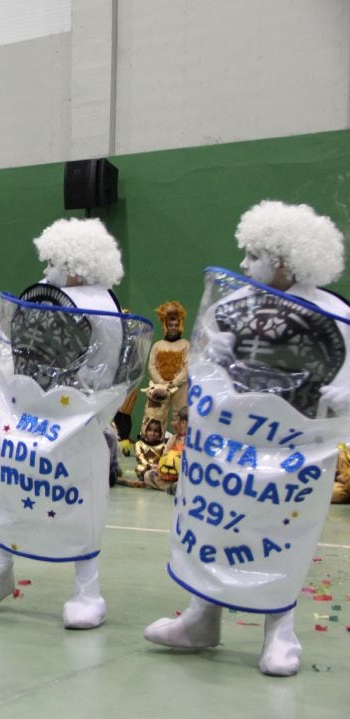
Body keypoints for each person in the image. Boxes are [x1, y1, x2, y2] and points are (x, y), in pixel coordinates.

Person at [144, 200, 350, 676]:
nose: (242, 264)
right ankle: (202, 618)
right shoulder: (235, 305)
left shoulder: (335, 317)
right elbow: (213, 368)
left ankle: (280, 631)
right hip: (230, 447)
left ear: (282, 261)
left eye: (252, 254)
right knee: (216, 526)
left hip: (293, 455)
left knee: (279, 537)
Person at [0, 218, 149, 630]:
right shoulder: (49, 298)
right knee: (11, 491)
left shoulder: (102, 307)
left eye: (52, 264)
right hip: (30, 417)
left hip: (78, 423)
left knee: (79, 506)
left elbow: (104, 376)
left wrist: (76, 409)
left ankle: (87, 588)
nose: (46, 274)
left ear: (76, 265)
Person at [140, 301, 190, 434]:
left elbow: (187, 367)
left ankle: (179, 447)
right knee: (155, 416)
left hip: (180, 388)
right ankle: (153, 445)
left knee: (181, 416)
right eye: (170, 325)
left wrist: (174, 383)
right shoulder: (158, 345)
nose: (173, 328)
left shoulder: (185, 345)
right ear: (165, 326)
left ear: (179, 326)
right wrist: (162, 384)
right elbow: (151, 366)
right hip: (159, 388)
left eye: (175, 325)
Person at [127, 417, 166, 489]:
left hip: (158, 469)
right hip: (145, 467)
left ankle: (156, 481)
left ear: (160, 434)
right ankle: (145, 480)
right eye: (150, 430)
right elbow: (140, 457)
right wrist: (150, 466)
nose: (152, 433)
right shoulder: (139, 444)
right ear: (145, 431)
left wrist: (159, 467)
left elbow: (164, 458)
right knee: (139, 468)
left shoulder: (163, 446)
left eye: (156, 431)